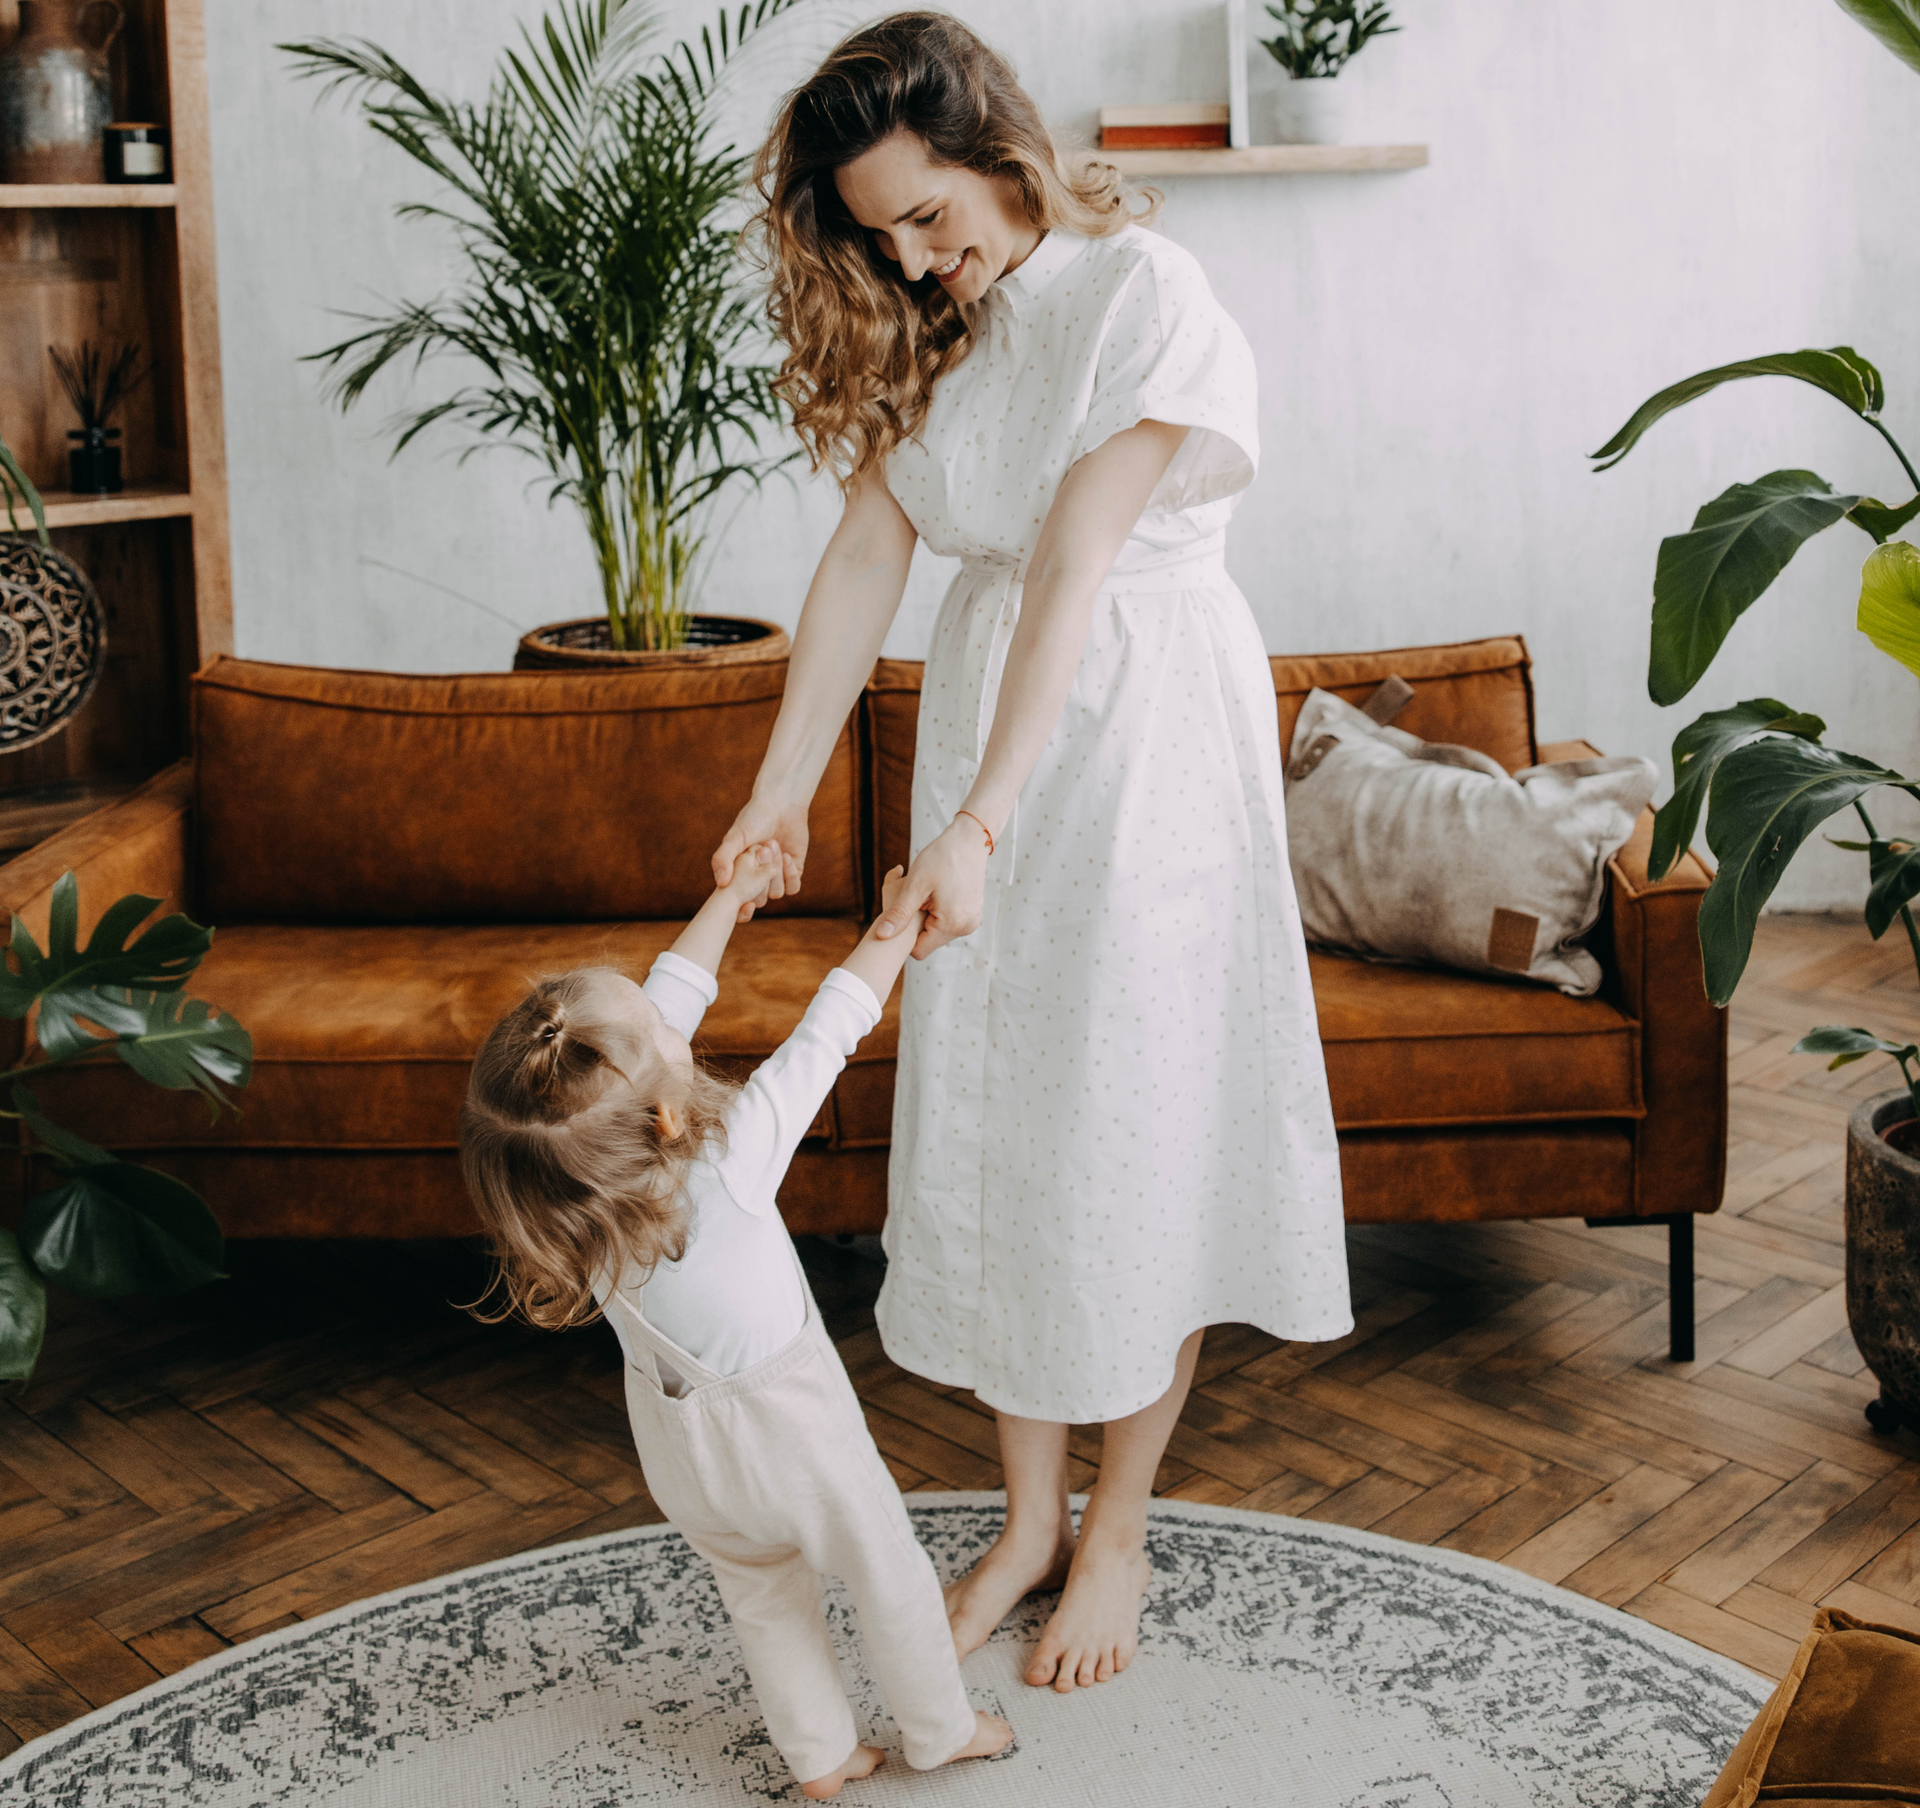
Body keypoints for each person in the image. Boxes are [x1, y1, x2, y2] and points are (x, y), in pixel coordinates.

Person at [715, 11, 1355, 1696]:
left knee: (1138, 1117)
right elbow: (868, 556)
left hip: (1141, 737)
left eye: (930, 216)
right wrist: (782, 790)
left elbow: (1076, 561)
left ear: (1000, 149)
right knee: (1004, 1127)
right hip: (991, 723)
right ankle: (1024, 1520)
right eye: (882, 237)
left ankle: (1119, 1521)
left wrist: (980, 822)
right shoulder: (942, 320)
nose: (915, 260)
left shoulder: (1146, 294)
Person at [457, 843, 1012, 1800]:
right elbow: (825, 1035)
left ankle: (821, 1757)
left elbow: (652, 1021)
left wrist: (730, 898)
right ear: (665, 1115)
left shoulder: (577, 1203)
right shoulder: (728, 1164)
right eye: (658, 1027)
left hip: (682, 1450)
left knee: (762, 1592)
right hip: (791, 1430)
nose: (669, 1017)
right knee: (886, 1569)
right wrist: (892, 928)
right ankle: (940, 1728)